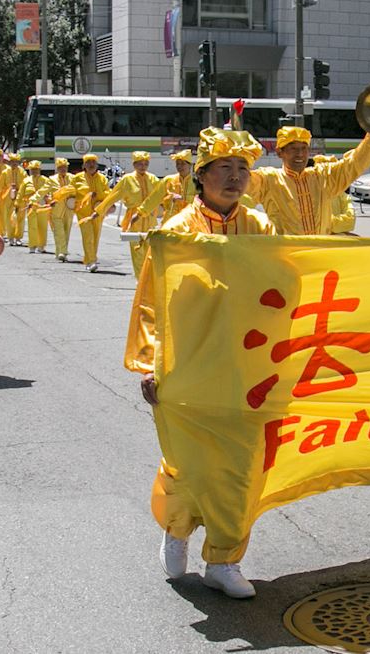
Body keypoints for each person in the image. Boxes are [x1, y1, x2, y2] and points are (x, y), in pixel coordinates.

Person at [125, 128, 271, 599]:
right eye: (224, 168)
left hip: (246, 366)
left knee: (241, 466)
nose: (235, 177)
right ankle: (176, 530)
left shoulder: (261, 227)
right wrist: (149, 364)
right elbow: (151, 303)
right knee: (188, 463)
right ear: (201, 176)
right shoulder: (176, 232)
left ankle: (224, 560)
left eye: (242, 169)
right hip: (185, 367)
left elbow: (283, 288)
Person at [245, 125, 370, 235]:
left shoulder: (323, 176)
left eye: (304, 148)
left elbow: (354, 164)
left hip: (318, 253)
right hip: (287, 255)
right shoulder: (268, 179)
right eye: (293, 149)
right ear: (280, 152)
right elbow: (240, 185)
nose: (300, 154)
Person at [90, 151, 160, 277]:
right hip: (134, 220)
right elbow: (113, 196)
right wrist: (99, 211)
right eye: (140, 164)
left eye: (145, 164)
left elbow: (161, 195)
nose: (143, 166)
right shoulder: (127, 179)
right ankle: (140, 280)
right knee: (137, 251)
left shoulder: (153, 179)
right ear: (134, 165)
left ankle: (148, 279)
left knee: (150, 252)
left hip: (150, 219)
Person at [73, 153, 109, 272]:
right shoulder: (77, 178)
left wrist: (98, 196)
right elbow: (71, 192)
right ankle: (91, 261)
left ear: (97, 165)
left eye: (93, 162)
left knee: (96, 236)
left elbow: (108, 193)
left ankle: (90, 259)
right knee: (88, 236)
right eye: (88, 162)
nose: (91, 165)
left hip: (98, 212)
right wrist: (86, 195)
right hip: (83, 213)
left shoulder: (103, 178)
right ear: (84, 165)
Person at [139, 149, 196, 223]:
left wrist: (185, 198)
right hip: (170, 221)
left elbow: (203, 201)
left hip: (190, 220)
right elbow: (154, 198)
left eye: (183, 164)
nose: (179, 166)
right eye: (177, 164)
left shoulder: (196, 182)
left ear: (190, 165)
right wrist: (140, 213)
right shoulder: (168, 180)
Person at [47, 158, 76, 261]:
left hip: (69, 209)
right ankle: (63, 252)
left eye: (64, 167)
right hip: (57, 209)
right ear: (57, 169)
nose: (63, 169)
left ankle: (59, 252)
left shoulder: (73, 178)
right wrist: (50, 200)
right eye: (60, 167)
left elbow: (78, 190)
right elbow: (46, 192)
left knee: (66, 231)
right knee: (59, 231)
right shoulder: (52, 179)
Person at [21, 160, 51, 254]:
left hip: (42, 205)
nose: (34, 171)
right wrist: (18, 204)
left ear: (39, 170)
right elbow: (20, 193)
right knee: (32, 226)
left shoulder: (45, 180)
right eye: (32, 169)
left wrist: (48, 198)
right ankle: (32, 245)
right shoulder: (26, 180)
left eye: (36, 169)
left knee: (43, 226)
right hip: (31, 205)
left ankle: (41, 246)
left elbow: (50, 191)